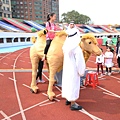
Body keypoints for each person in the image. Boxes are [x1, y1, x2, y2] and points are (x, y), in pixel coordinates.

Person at [62, 21, 86, 110]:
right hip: (73, 70)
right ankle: (73, 103)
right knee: (73, 84)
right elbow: (79, 61)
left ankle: (68, 99)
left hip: (67, 69)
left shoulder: (65, 46)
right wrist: (81, 71)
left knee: (67, 83)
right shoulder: (76, 48)